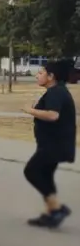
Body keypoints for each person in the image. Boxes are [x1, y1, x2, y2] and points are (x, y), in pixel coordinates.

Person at [21, 59, 75, 228]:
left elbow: (53, 115)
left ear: (51, 76)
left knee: (32, 171)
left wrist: (30, 110)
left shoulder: (56, 92)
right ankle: (51, 213)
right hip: (53, 144)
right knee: (45, 175)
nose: (37, 75)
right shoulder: (56, 91)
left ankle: (57, 208)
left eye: (41, 72)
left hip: (54, 145)